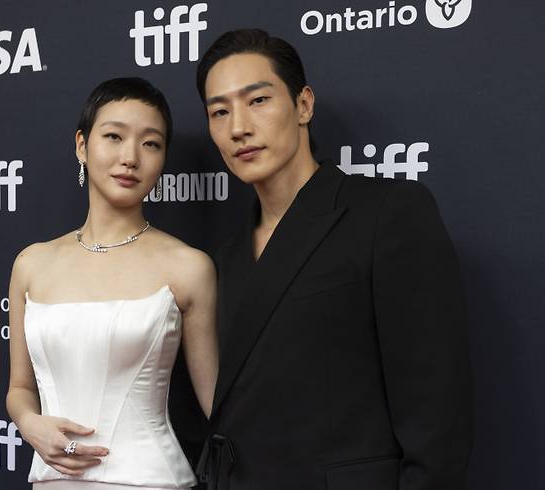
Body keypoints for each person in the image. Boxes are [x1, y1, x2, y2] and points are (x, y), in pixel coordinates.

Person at [194, 29, 472, 489]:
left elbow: (437, 416)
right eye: (219, 111)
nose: (238, 126)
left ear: (303, 105)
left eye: (258, 100)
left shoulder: (388, 213)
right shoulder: (222, 259)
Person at [6, 77, 218, 490]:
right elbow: (18, 387)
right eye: (114, 136)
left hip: (151, 480)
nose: (130, 157)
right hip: (52, 480)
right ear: (82, 146)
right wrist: (32, 426)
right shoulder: (30, 264)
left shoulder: (188, 267)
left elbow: (218, 404)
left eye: (150, 144)